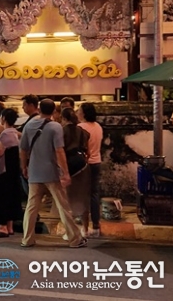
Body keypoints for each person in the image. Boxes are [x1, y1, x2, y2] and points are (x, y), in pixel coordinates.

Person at [19, 99, 87, 248]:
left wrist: (24, 166)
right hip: (51, 173)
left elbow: (23, 149)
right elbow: (59, 151)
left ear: (39, 109)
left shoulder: (29, 126)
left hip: (34, 172)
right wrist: (65, 172)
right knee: (63, 206)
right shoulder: (55, 127)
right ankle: (75, 239)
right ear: (54, 111)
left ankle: (27, 239)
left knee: (31, 207)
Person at [0, 108, 23, 237]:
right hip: (14, 170)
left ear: (3, 118)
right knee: (12, 196)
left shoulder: (5, 134)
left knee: (2, 196)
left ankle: (2, 226)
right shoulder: (16, 133)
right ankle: (10, 226)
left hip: (4, 170)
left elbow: (0, 152)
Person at [61, 107, 90, 238]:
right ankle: (85, 229)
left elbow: (59, 150)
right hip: (82, 164)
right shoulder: (82, 131)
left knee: (68, 199)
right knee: (83, 197)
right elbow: (87, 149)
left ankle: (71, 232)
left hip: (68, 165)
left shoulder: (62, 131)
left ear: (64, 118)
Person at [77, 102, 104, 238]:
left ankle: (84, 227)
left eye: (79, 110)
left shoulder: (80, 127)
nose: (77, 112)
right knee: (94, 194)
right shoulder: (98, 127)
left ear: (84, 113)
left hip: (85, 164)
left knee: (82, 195)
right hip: (97, 162)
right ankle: (96, 226)